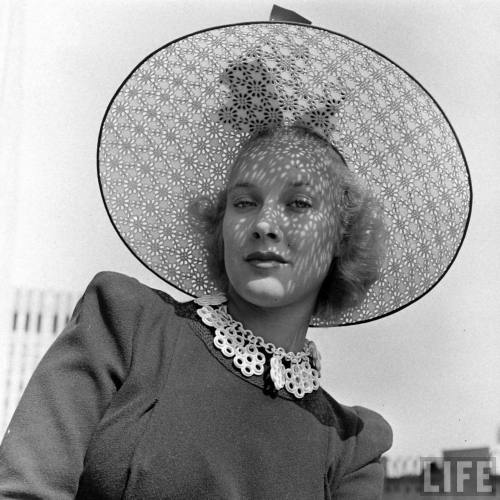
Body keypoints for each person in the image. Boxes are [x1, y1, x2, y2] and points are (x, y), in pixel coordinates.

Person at [0, 19, 470, 500]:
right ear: (220, 225)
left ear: (341, 240)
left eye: (299, 204)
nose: (265, 224)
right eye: (244, 202)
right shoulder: (124, 325)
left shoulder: (351, 449)